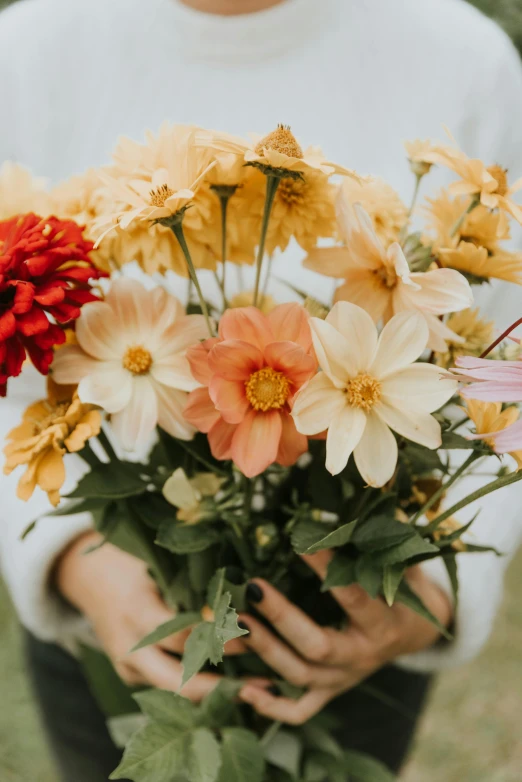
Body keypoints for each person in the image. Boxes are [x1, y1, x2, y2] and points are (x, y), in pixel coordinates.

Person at [1, 0, 522, 779]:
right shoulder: (25, 51)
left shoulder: (467, 59)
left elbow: (507, 379)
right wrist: (72, 557)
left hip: (358, 642)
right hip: (106, 641)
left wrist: (435, 595)